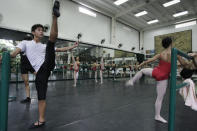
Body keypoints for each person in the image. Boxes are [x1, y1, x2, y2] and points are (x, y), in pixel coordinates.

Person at [1, 1, 78, 128]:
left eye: (42, 30)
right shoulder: (25, 43)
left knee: (51, 43)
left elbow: (60, 49)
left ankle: (54, 17)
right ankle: (41, 120)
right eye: (39, 30)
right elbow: (13, 54)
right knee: (41, 97)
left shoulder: (44, 46)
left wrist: (73, 46)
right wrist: (2, 57)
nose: (42, 32)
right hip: (41, 73)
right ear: (33, 32)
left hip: (47, 65)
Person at [126, 37, 172, 123]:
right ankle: (157, 116)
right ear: (170, 43)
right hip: (163, 77)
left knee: (142, 70)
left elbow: (149, 60)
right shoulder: (173, 53)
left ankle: (132, 81)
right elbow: (181, 64)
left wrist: (139, 66)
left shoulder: (161, 54)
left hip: (156, 72)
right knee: (159, 98)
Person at [20, 34, 36, 103]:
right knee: (26, 82)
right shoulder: (21, 47)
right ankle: (28, 98)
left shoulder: (33, 47)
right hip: (23, 66)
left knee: (41, 76)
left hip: (31, 65)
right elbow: (14, 54)